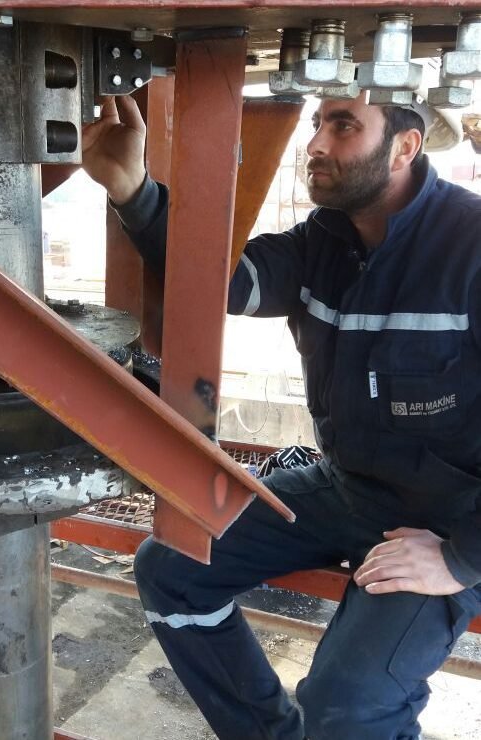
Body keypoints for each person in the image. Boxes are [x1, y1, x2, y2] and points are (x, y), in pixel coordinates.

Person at [82, 91, 481, 740]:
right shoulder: (323, 239)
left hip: (449, 518)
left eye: (343, 126)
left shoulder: (469, 246)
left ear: (404, 147)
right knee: (172, 568)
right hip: (345, 487)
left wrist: (460, 559)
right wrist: (133, 191)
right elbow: (226, 281)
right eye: (318, 123)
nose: (315, 143)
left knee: (346, 704)